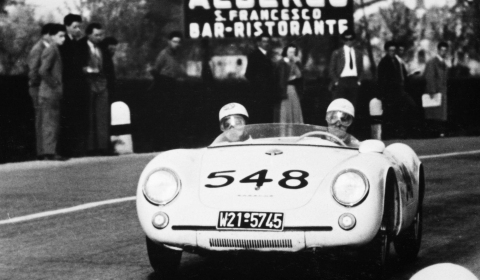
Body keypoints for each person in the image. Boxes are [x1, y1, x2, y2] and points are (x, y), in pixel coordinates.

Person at [150, 31, 186, 151]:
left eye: (178, 42)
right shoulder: (164, 54)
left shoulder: (177, 55)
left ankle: (172, 143)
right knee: (164, 116)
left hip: (174, 85)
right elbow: (155, 70)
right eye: (174, 41)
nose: (177, 44)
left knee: (174, 116)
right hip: (164, 86)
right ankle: (161, 144)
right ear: (169, 42)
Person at [78, 23, 110, 155]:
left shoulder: (103, 47)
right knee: (89, 116)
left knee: (102, 115)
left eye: (101, 35)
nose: (99, 37)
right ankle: (90, 148)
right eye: (96, 35)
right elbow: (77, 66)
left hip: (102, 83)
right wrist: (89, 70)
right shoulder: (80, 46)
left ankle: (103, 147)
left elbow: (108, 66)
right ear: (88, 34)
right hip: (87, 84)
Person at [37, 24, 68, 160]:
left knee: (51, 123)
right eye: (60, 36)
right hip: (49, 93)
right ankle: (49, 152)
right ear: (52, 36)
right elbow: (43, 70)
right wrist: (55, 84)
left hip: (50, 93)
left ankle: (50, 151)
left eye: (64, 36)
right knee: (50, 123)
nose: (63, 39)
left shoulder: (55, 49)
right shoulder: (52, 50)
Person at [59, 13, 88, 157]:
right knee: (67, 118)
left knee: (77, 118)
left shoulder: (78, 44)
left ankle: (76, 149)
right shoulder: (63, 43)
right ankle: (66, 150)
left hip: (78, 87)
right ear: (67, 27)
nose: (78, 30)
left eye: (79, 27)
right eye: (75, 27)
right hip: (68, 86)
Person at [27, 23, 54, 159]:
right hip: (38, 89)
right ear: (46, 35)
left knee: (47, 119)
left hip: (45, 88)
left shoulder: (49, 48)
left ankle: (48, 151)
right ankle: (42, 152)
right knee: (41, 119)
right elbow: (33, 71)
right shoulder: (38, 49)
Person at [377, 41, 409, 139]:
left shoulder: (397, 61)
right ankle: (387, 135)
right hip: (388, 93)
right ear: (386, 51)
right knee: (388, 114)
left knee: (398, 113)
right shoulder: (383, 62)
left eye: (394, 50)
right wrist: (382, 95)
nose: (392, 52)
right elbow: (381, 79)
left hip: (398, 92)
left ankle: (398, 134)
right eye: (390, 50)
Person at [245, 35, 277, 124]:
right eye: (264, 41)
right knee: (259, 116)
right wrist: (259, 84)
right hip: (258, 93)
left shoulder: (269, 56)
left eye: (267, 41)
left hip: (268, 93)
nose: (266, 44)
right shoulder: (254, 55)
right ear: (258, 43)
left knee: (268, 117)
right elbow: (248, 74)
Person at [328, 30, 364, 109]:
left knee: (352, 105)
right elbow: (331, 69)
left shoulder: (358, 53)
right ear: (343, 40)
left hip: (354, 81)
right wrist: (337, 82)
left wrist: (359, 81)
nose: (348, 41)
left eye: (350, 39)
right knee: (340, 105)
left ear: (354, 40)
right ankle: (339, 121)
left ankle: (351, 121)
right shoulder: (337, 52)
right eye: (346, 39)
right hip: (341, 81)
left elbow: (361, 69)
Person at [274, 43, 304, 124]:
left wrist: (297, 63)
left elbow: (299, 75)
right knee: (284, 113)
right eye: (290, 52)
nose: (292, 54)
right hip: (284, 91)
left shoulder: (294, 63)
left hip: (292, 90)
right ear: (286, 52)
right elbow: (280, 79)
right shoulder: (280, 63)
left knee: (294, 112)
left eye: (293, 52)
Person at [424, 42, 449, 136]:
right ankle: (435, 132)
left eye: (445, 50)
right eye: (442, 50)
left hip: (442, 91)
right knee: (434, 113)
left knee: (440, 114)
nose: (443, 52)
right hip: (435, 92)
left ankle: (439, 132)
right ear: (438, 50)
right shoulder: (432, 62)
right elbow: (430, 77)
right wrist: (432, 90)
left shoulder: (443, 63)